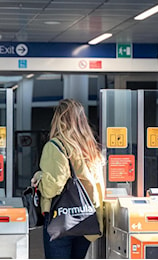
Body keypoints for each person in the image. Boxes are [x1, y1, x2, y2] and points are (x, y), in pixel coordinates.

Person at [31, 99, 105, 259]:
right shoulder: (90, 147)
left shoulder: (56, 146)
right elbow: (99, 186)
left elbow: (52, 187)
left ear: (58, 120)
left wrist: (39, 176)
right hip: (87, 218)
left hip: (62, 219)